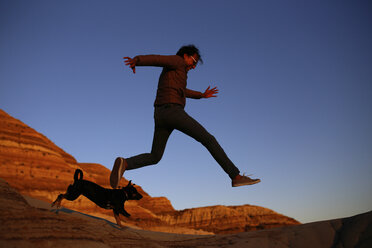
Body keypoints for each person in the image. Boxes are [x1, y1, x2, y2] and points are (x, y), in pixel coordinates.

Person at [110, 45, 260, 188]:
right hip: (173, 111)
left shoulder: (176, 74)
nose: (193, 66)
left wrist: (201, 95)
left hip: (160, 115)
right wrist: (137, 60)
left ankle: (125, 163)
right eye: (193, 61)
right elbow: (158, 59)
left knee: (155, 156)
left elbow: (183, 90)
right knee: (208, 139)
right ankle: (236, 177)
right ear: (185, 56)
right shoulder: (177, 61)